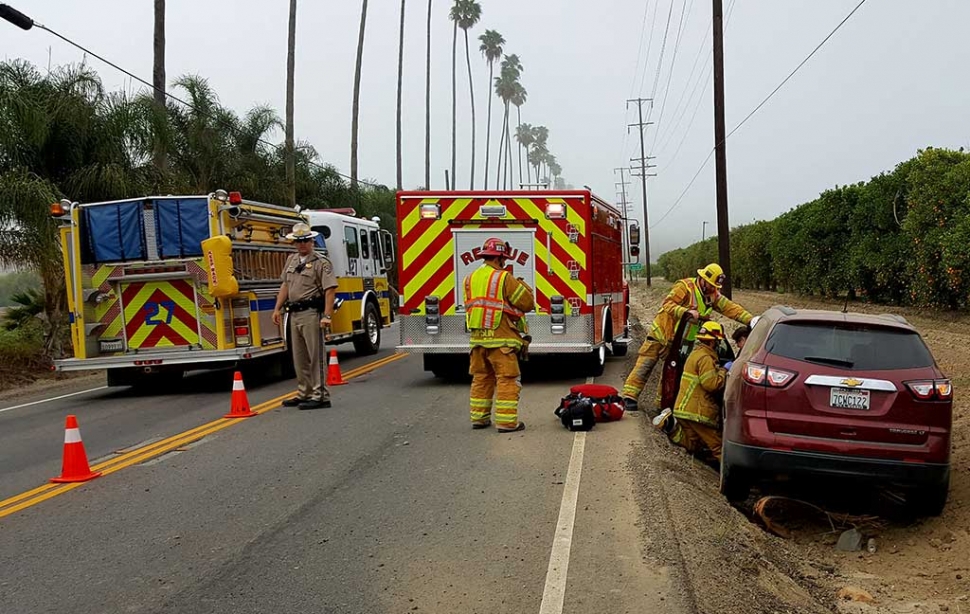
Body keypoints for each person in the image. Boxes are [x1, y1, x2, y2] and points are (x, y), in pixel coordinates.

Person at [621, 263, 753, 412]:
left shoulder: (712, 295)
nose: (712, 289)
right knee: (645, 365)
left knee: (671, 372)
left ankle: (662, 404)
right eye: (710, 285)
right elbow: (668, 305)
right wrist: (686, 312)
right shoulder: (685, 287)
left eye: (715, 286)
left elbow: (731, 308)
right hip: (662, 334)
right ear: (702, 279)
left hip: (682, 341)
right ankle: (629, 397)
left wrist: (751, 320)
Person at [463, 238, 535, 433]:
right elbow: (527, 303)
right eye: (503, 258)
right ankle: (506, 422)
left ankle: (479, 418)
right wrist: (523, 286)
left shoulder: (470, 278)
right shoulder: (503, 277)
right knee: (507, 379)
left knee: (481, 378)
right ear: (500, 258)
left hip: (477, 341)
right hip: (501, 341)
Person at [272, 222, 339, 410]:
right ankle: (305, 392)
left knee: (315, 355)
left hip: (311, 313)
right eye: (298, 241)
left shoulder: (321, 262)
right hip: (293, 313)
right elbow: (285, 286)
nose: (302, 244)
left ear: (311, 241)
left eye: (305, 241)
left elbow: (330, 290)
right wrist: (277, 308)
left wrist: (327, 316)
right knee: (299, 356)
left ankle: (321, 395)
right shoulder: (292, 260)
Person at [653, 321, 727, 461]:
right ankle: (733, 479)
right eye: (717, 342)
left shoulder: (694, 354)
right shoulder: (706, 358)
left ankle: (670, 426)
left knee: (693, 444)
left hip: (683, 409)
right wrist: (724, 371)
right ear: (712, 342)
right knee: (718, 446)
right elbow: (711, 384)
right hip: (698, 412)